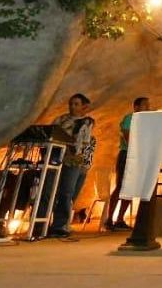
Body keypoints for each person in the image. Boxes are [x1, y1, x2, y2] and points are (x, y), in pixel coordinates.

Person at [50, 94, 96, 237]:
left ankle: (62, 223)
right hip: (60, 158)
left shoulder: (87, 122)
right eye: (71, 103)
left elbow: (84, 142)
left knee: (70, 193)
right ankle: (57, 225)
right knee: (63, 191)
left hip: (77, 160)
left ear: (84, 107)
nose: (72, 107)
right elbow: (52, 134)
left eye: (76, 104)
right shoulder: (61, 120)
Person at [105, 96, 149, 230]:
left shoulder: (146, 122)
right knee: (121, 187)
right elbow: (127, 136)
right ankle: (109, 219)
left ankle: (120, 220)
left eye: (148, 105)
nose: (148, 108)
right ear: (136, 107)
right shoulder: (130, 118)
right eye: (145, 105)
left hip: (138, 157)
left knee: (131, 189)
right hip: (127, 155)